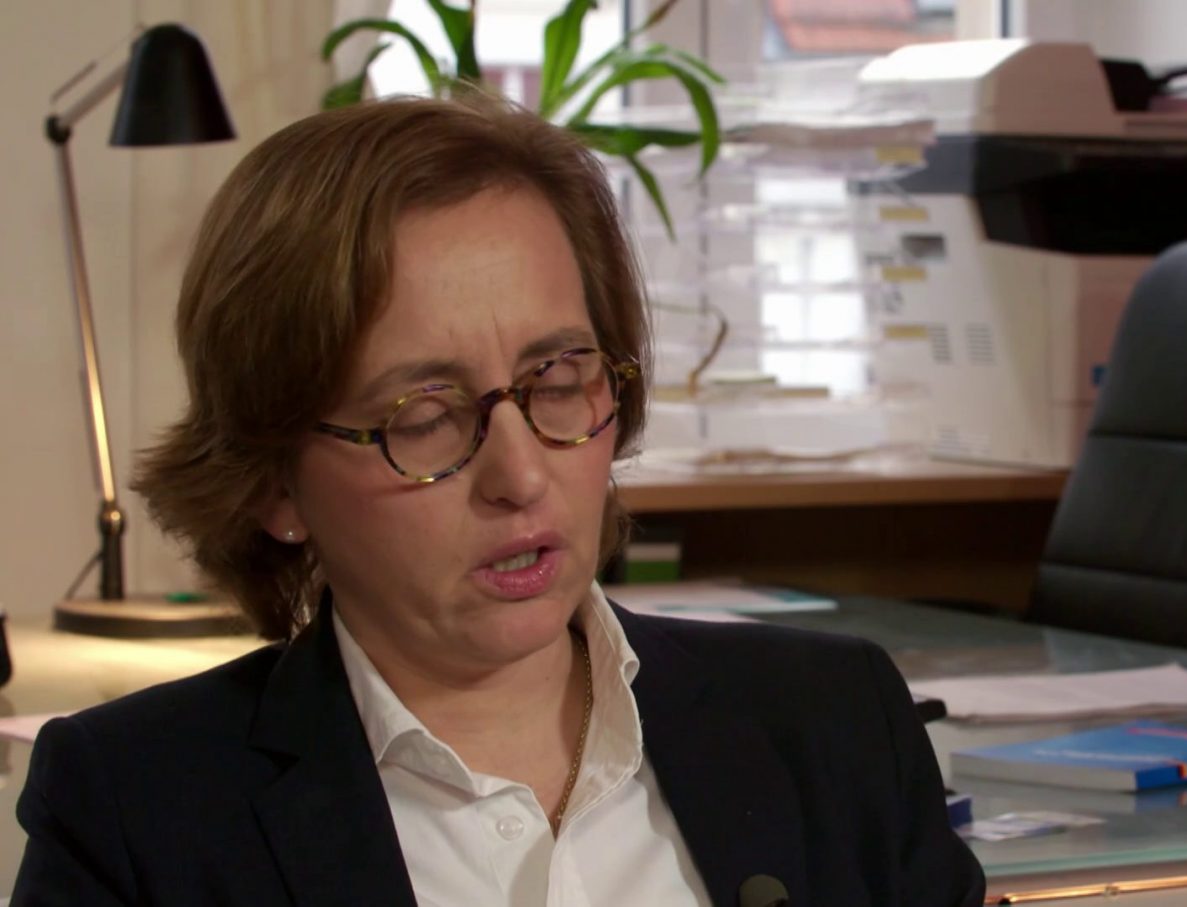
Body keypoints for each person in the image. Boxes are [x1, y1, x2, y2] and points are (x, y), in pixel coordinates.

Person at [12, 94, 985, 906]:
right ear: (274, 483)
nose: (521, 476)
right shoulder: (136, 808)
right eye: (425, 415)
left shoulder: (832, 720)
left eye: (557, 380)